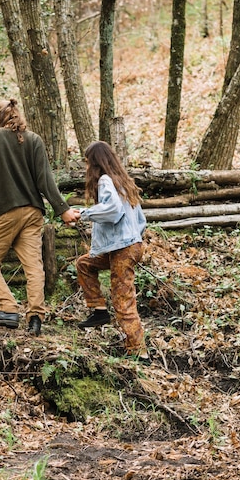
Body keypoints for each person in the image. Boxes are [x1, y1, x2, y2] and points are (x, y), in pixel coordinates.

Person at [0, 98, 79, 337]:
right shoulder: (34, 140)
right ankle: (36, 318)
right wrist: (63, 210)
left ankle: (8, 308)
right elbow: (45, 180)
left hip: (5, 211)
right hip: (33, 212)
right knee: (33, 267)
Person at [75, 141, 149, 362]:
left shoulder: (107, 181)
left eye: (88, 163)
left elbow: (113, 210)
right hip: (123, 247)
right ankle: (99, 311)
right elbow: (141, 221)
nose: (87, 168)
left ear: (96, 163)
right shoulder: (123, 182)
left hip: (123, 249)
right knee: (84, 264)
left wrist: (83, 213)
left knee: (122, 298)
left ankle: (138, 352)